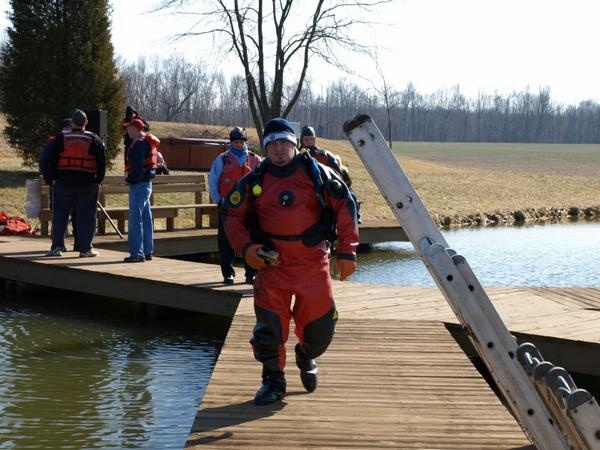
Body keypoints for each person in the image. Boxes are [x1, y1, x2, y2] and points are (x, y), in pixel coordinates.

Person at [222, 118, 359, 405]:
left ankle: (306, 354)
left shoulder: (318, 175)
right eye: (272, 144)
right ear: (266, 148)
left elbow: (346, 207)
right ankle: (273, 380)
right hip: (273, 267)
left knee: (320, 328)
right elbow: (232, 216)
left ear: (295, 144)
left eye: (284, 143)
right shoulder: (254, 181)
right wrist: (247, 248)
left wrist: (347, 251)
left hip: (312, 264)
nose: (279, 150)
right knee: (269, 330)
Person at [42, 109, 106, 257]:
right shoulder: (94, 139)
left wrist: (53, 178)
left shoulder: (61, 138)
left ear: (72, 122)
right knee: (87, 216)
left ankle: (57, 247)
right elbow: (102, 162)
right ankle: (85, 249)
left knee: (60, 216)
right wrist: (98, 180)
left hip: (63, 184)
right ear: (86, 123)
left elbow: (50, 159)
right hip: (88, 184)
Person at [208, 126, 262, 284]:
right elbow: (213, 181)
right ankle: (228, 273)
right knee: (226, 240)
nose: (239, 144)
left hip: (250, 208)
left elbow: (264, 180)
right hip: (228, 207)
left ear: (245, 142)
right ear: (232, 142)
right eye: (236, 142)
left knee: (251, 239)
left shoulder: (255, 159)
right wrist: (218, 200)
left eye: (241, 141)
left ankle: (251, 273)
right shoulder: (221, 159)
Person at [299, 125, 362, 223]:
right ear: (301, 140)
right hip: (303, 188)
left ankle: (353, 217)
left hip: (325, 188)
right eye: (306, 139)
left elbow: (337, 173)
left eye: (311, 139)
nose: (309, 142)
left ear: (315, 139)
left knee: (349, 195)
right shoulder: (296, 156)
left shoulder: (324, 155)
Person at [123, 118, 160, 262]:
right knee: (146, 218)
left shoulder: (138, 144)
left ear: (135, 129)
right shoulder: (148, 142)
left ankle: (136, 254)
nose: (127, 131)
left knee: (135, 219)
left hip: (138, 185)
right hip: (147, 184)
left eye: (128, 128)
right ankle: (147, 250)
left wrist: (129, 180)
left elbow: (137, 169)